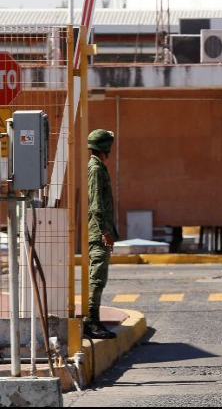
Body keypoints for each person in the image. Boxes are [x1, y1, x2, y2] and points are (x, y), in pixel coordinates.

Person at [85, 129, 119, 340]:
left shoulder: (98, 167)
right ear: (105, 147)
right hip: (98, 232)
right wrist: (105, 231)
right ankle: (91, 321)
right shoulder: (96, 169)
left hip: (100, 231)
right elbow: (96, 204)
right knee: (97, 278)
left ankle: (94, 320)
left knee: (100, 277)